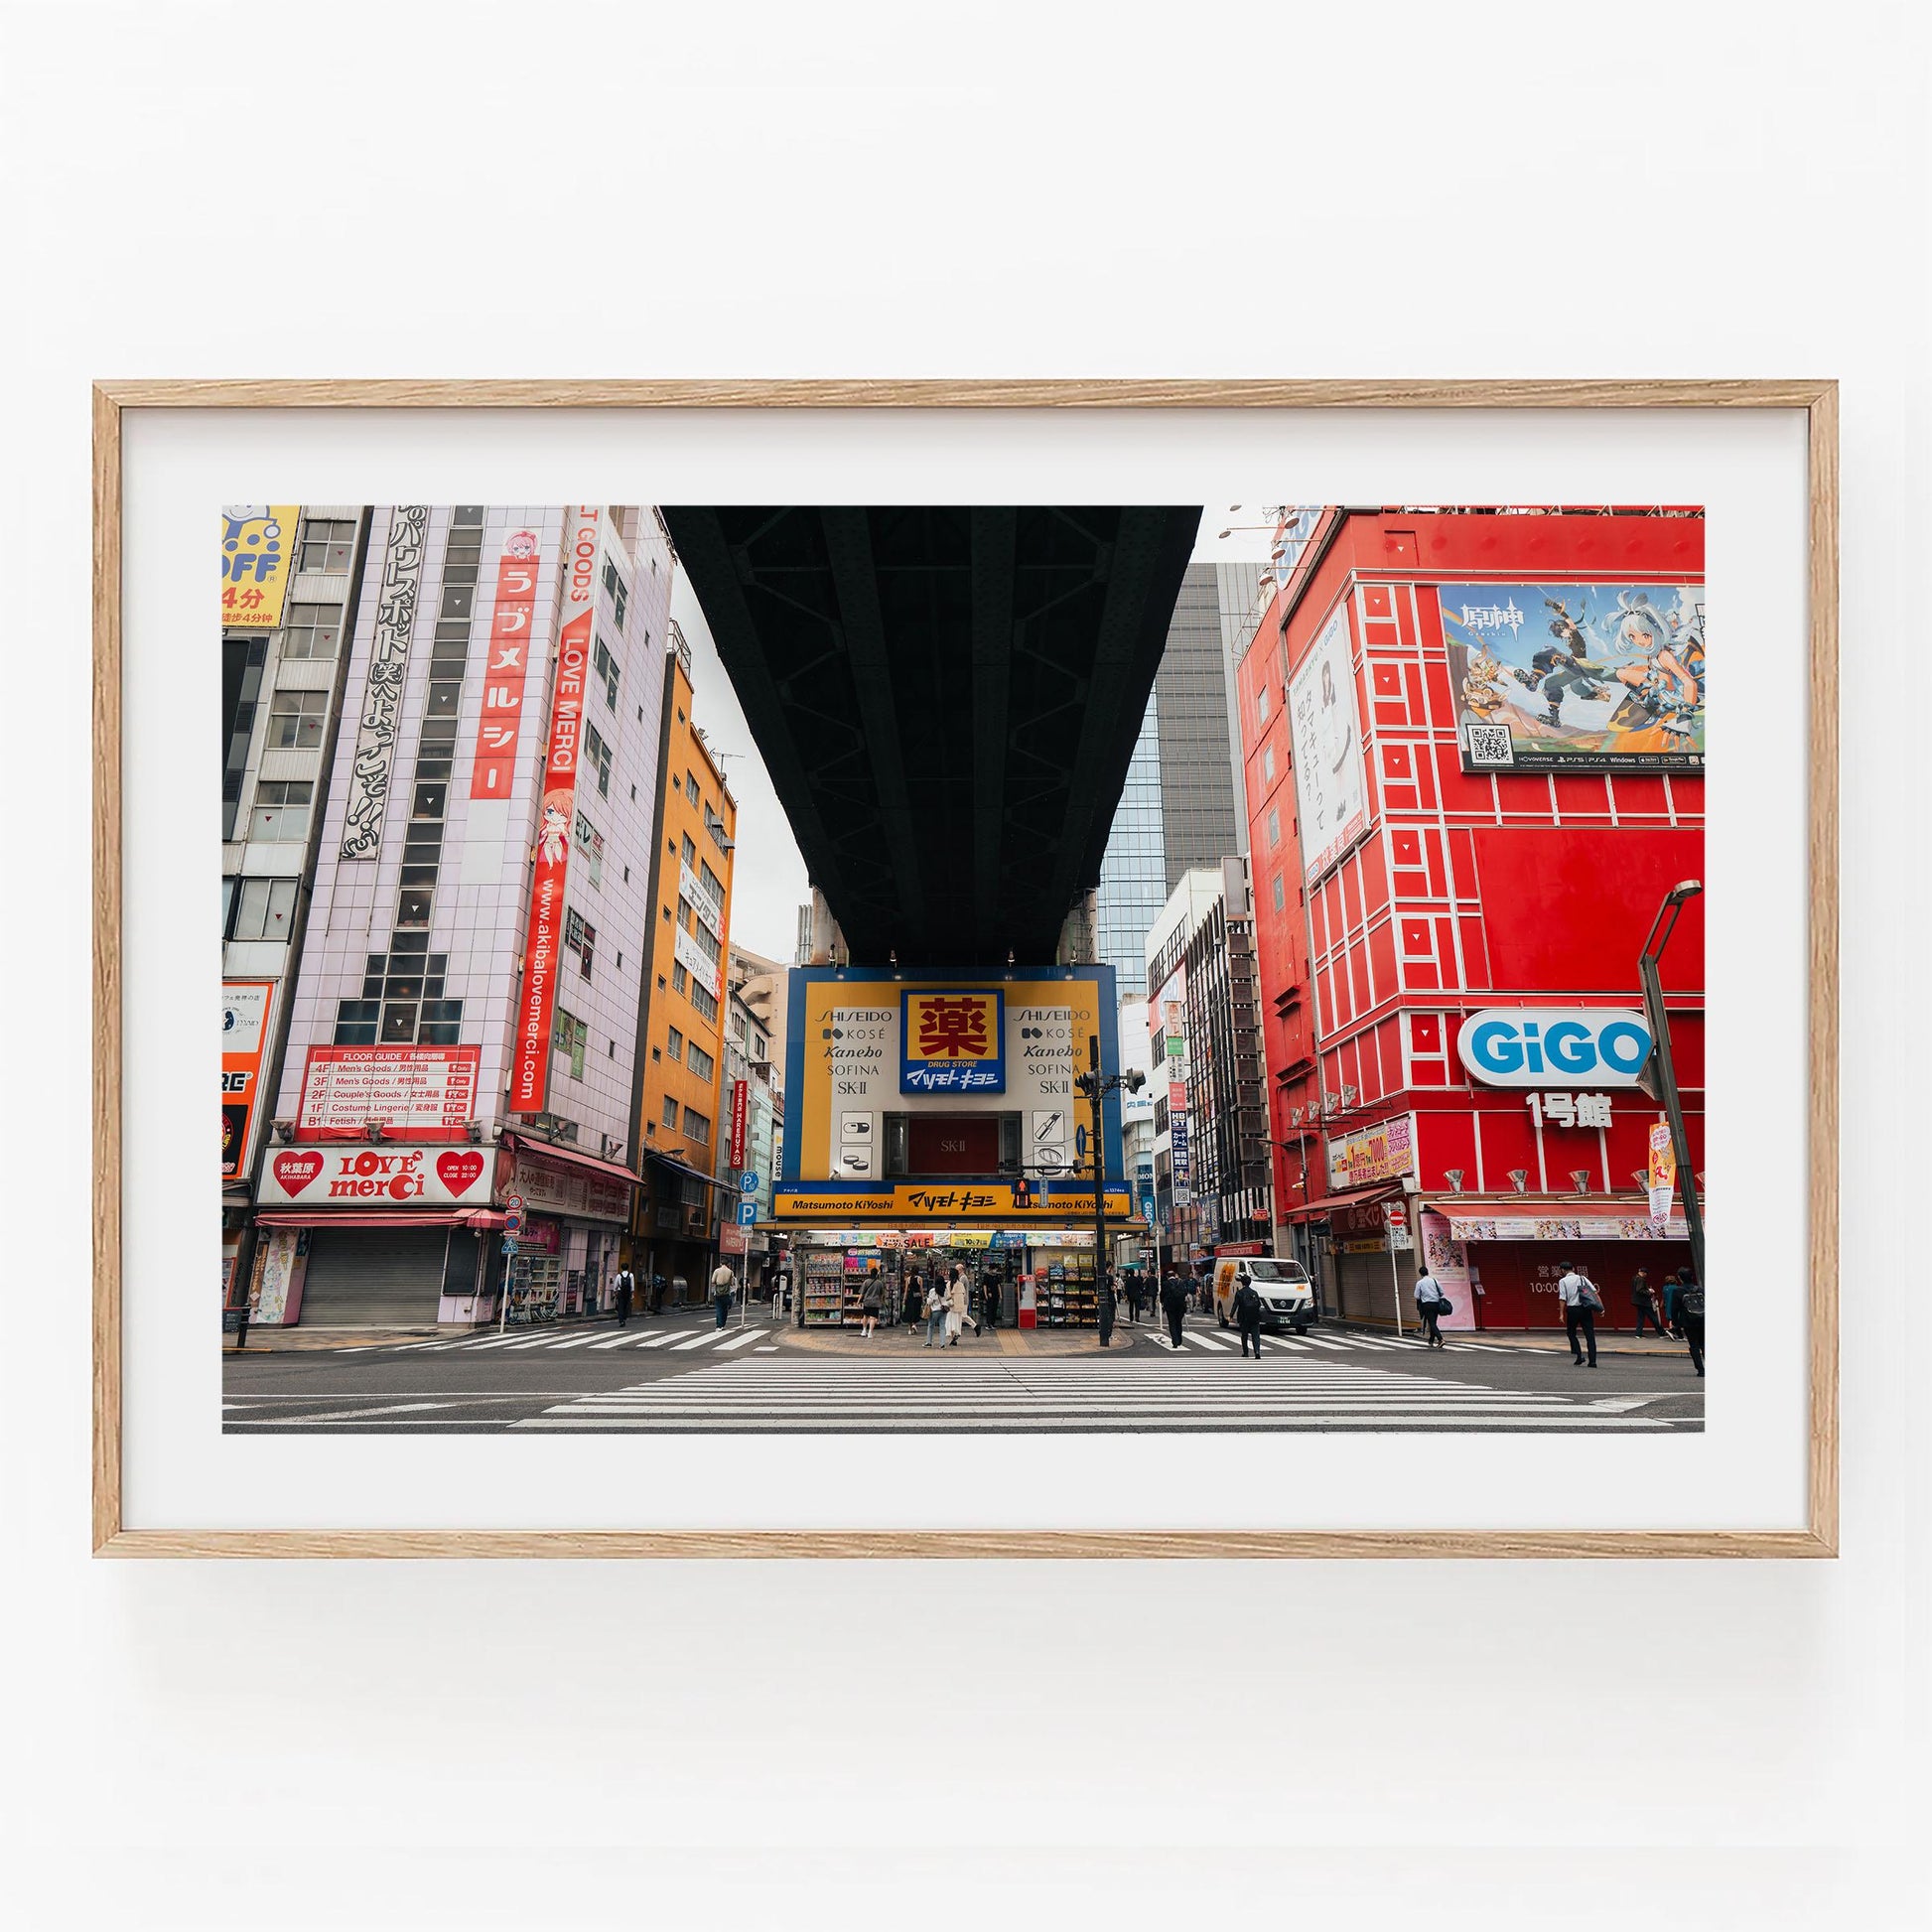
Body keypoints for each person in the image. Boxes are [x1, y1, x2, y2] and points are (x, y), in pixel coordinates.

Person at [1557, 1258, 1599, 1367]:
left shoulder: (1563, 1281)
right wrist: (1601, 1308)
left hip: (1573, 1310)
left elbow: (1562, 1298)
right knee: (1590, 1335)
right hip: (1586, 1309)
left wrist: (1561, 1313)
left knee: (1571, 1333)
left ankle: (1579, 1355)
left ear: (1562, 1270)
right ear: (1573, 1269)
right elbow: (1594, 1292)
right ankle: (1593, 1361)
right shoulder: (1582, 1278)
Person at [1667, 1265, 1706, 1377]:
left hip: (1689, 1322)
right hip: (1703, 1320)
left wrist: (1675, 1323)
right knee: (1704, 1344)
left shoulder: (1678, 1291)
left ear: (1680, 1278)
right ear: (1692, 1277)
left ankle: (1701, 1370)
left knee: (1694, 1345)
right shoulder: (1700, 1289)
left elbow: (1675, 1309)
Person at [1231, 1268, 1265, 1359]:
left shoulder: (1239, 1293)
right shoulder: (1254, 1292)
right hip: (1255, 1317)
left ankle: (1245, 1352)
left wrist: (1231, 1315)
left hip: (1244, 1317)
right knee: (1256, 1335)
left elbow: (1235, 1305)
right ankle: (1257, 1351)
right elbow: (1258, 1304)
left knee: (1244, 1335)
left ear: (1242, 1282)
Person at [1413, 1267, 1449, 1349]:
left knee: (1431, 1323)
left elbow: (1416, 1296)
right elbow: (1442, 1292)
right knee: (1433, 1322)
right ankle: (1431, 1340)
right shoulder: (1434, 1280)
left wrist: (1424, 1295)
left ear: (1420, 1273)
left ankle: (1440, 1339)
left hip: (1427, 1305)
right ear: (1427, 1272)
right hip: (1436, 1304)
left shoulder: (1420, 1283)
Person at [1630, 1266, 1665, 1338]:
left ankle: (1638, 1334)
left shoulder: (1635, 1278)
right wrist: (1649, 1291)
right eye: (1646, 1274)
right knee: (1653, 1317)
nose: (1646, 1275)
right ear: (1643, 1273)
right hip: (1644, 1302)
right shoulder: (1641, 1279)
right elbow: (1639, 1290)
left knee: (1641, 1317)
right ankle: (1662, 1333)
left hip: (1638, 1302)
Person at [1160, 1268, 1188, 1350]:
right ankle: (1179, 1340)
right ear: (1174, 1275)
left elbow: (1162, 1295)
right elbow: (1185, 1293)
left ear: (1168, 1277)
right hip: (1180, 1306)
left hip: (1170, 1306)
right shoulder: (1180, 1282)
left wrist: (1162, 1303)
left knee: (1172, 1323)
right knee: (1178, 1322)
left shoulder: (1165, 1284)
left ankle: (1175, 1341)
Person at [946, 1266, 969, 1346]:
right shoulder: (960, 1284)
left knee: (951, 1322)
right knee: (958, 1321)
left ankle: (953, 1337)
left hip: (952, 1306)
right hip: (960, 1306)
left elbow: (948, 1295)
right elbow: (964, 1294)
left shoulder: (949, 1284)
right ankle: (957, 1333)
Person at [710, 1262, 737, 1329]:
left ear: (721, 1263)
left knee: (719, 1309)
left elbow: (712, 1281)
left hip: (718, 1292)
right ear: (728, 1264)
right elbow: (732, 1283)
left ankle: (718, 1325)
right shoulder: (730, 1271)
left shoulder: (717, 1270)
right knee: (725, 1309)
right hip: (726, 1292)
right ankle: (722, 1324)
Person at [924, 1276, 948, 1348]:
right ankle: (942, 1344)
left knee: (931, 1326)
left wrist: (927, 1299)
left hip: (935, 1310)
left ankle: (929, 1342)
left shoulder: (933, 1290)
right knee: (942, 1327)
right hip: (944, 1310)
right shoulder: (945, 1290)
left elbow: (930, 1301)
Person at [858, 1271, 882, 1338]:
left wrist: (859, 1300)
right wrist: (881, 1301)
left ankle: (864, 1330)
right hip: (875, 1302)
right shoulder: (879, 1283)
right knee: (873, 1318)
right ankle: (870, 1333)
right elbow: (881, 1293)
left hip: (867, 1301)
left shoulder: (866, 1281)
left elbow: (862, 1293)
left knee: (865, 1316)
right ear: (877, 1274)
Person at [1097, 1267, 1117, 1347]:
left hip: (1103, 1298)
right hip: (1110, 1299)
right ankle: (1108, 1333)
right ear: (1109, 1268)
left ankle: (1103, 1332)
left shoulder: (1100, 1277)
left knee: (1103, 1315)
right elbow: (1112, 1288)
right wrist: (1114, 1287)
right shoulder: (1109, 1277)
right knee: (1110, 1316)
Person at [614, 1261, 636, 1327]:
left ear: (621, 1268)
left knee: (620, 1306)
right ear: (628, 1268)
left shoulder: (619, 1275)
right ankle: (624, 1318)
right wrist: (632, 1293)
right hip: (628, 1292)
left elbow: (615, 1286)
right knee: (626, 1306)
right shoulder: (631, 1275)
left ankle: (621, 1321)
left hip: (621, 1292)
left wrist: (615, 1291)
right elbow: (632, 1285)